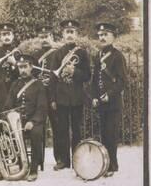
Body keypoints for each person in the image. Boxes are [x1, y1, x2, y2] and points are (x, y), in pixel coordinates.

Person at [48, 19, 91, 171]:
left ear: (77, 34)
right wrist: (52, 98)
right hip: (61, 98)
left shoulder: (82, 53)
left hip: (77, 97)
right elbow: (53, 78)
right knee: (61, 130)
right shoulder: (57, 53)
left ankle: (77, 159)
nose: (70, 35)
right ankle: (64, 160)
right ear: (63, 34)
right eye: (67, 32)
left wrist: (75, 72)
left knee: (77, 130)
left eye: (72, 32)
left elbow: (87, 75)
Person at [91, 22, 128, 177]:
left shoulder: (117, 56)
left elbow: (122, 81)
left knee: (110, 134)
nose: (102, 38)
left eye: (105, 35)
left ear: (113, 36)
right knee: (103, 134)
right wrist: (93, 96)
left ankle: (113, 165)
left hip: (112, 103)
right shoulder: (97, 56)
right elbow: (95, 80)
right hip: (100, 102)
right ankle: (105, 164)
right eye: (100, 35)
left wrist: (110, 94)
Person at [4, 54, 48, 181]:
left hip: (33, 121)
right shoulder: (15, 84)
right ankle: (13, 167)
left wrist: (33, 121)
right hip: (17, 121)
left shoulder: (38, 85)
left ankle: (33, 169)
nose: (22, 70)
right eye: (20, 67)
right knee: (3, 132)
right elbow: (8, 105)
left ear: (31, 67)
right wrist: (8, 118)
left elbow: (42, 108)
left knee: (36, 134)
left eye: (25, 67)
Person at [31, 25, 60, 166]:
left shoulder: (58, 53)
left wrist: (51, 79)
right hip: (39, 97)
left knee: (57, 127)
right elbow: (32, 76)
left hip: (54, 95)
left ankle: (59, 159)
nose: (44, 39)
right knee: (38, 128)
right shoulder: (35, 56)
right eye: (41, 37)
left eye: (46, 36)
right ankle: (38, 160)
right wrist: (39, 80)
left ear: (52, 37)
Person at [0, 22, 19, 89]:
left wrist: (14, 63)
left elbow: (22, 72)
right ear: (0, 37)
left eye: (9, 34)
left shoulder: (17, 52)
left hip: (14, 86)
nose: (6, 37)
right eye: (4, 35)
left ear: (13, 36)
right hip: (0, 87)